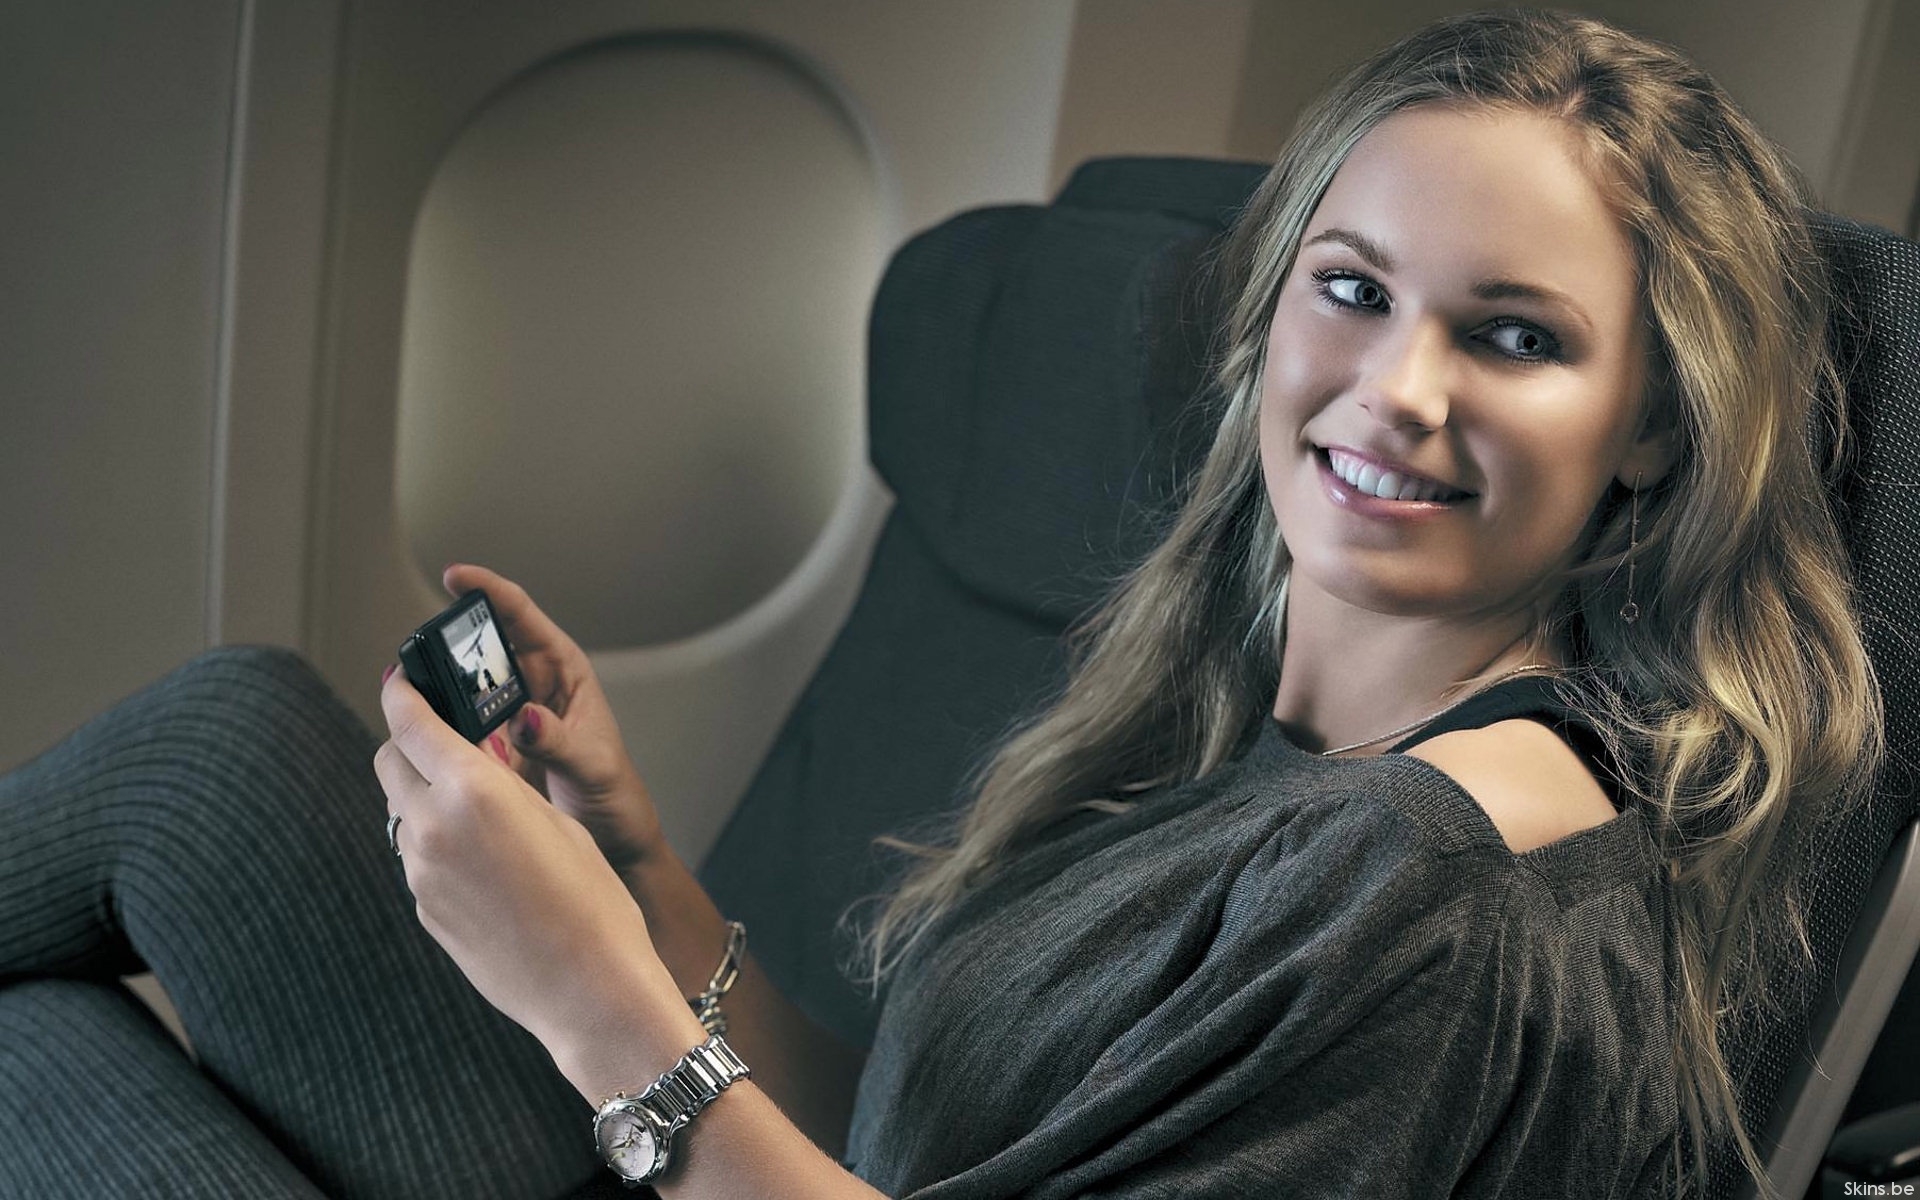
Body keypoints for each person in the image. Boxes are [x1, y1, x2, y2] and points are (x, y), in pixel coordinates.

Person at [0, 8, 1883, 1199]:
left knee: (38, 1050)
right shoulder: (1250, 713)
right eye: (1354, 287)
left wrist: (592, 1005)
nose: (1397, 389)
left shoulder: (1429, 891)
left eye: (1516, 337)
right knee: (226, 748)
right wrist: (637, 862)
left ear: (1655, 427)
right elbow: (913, 1132)